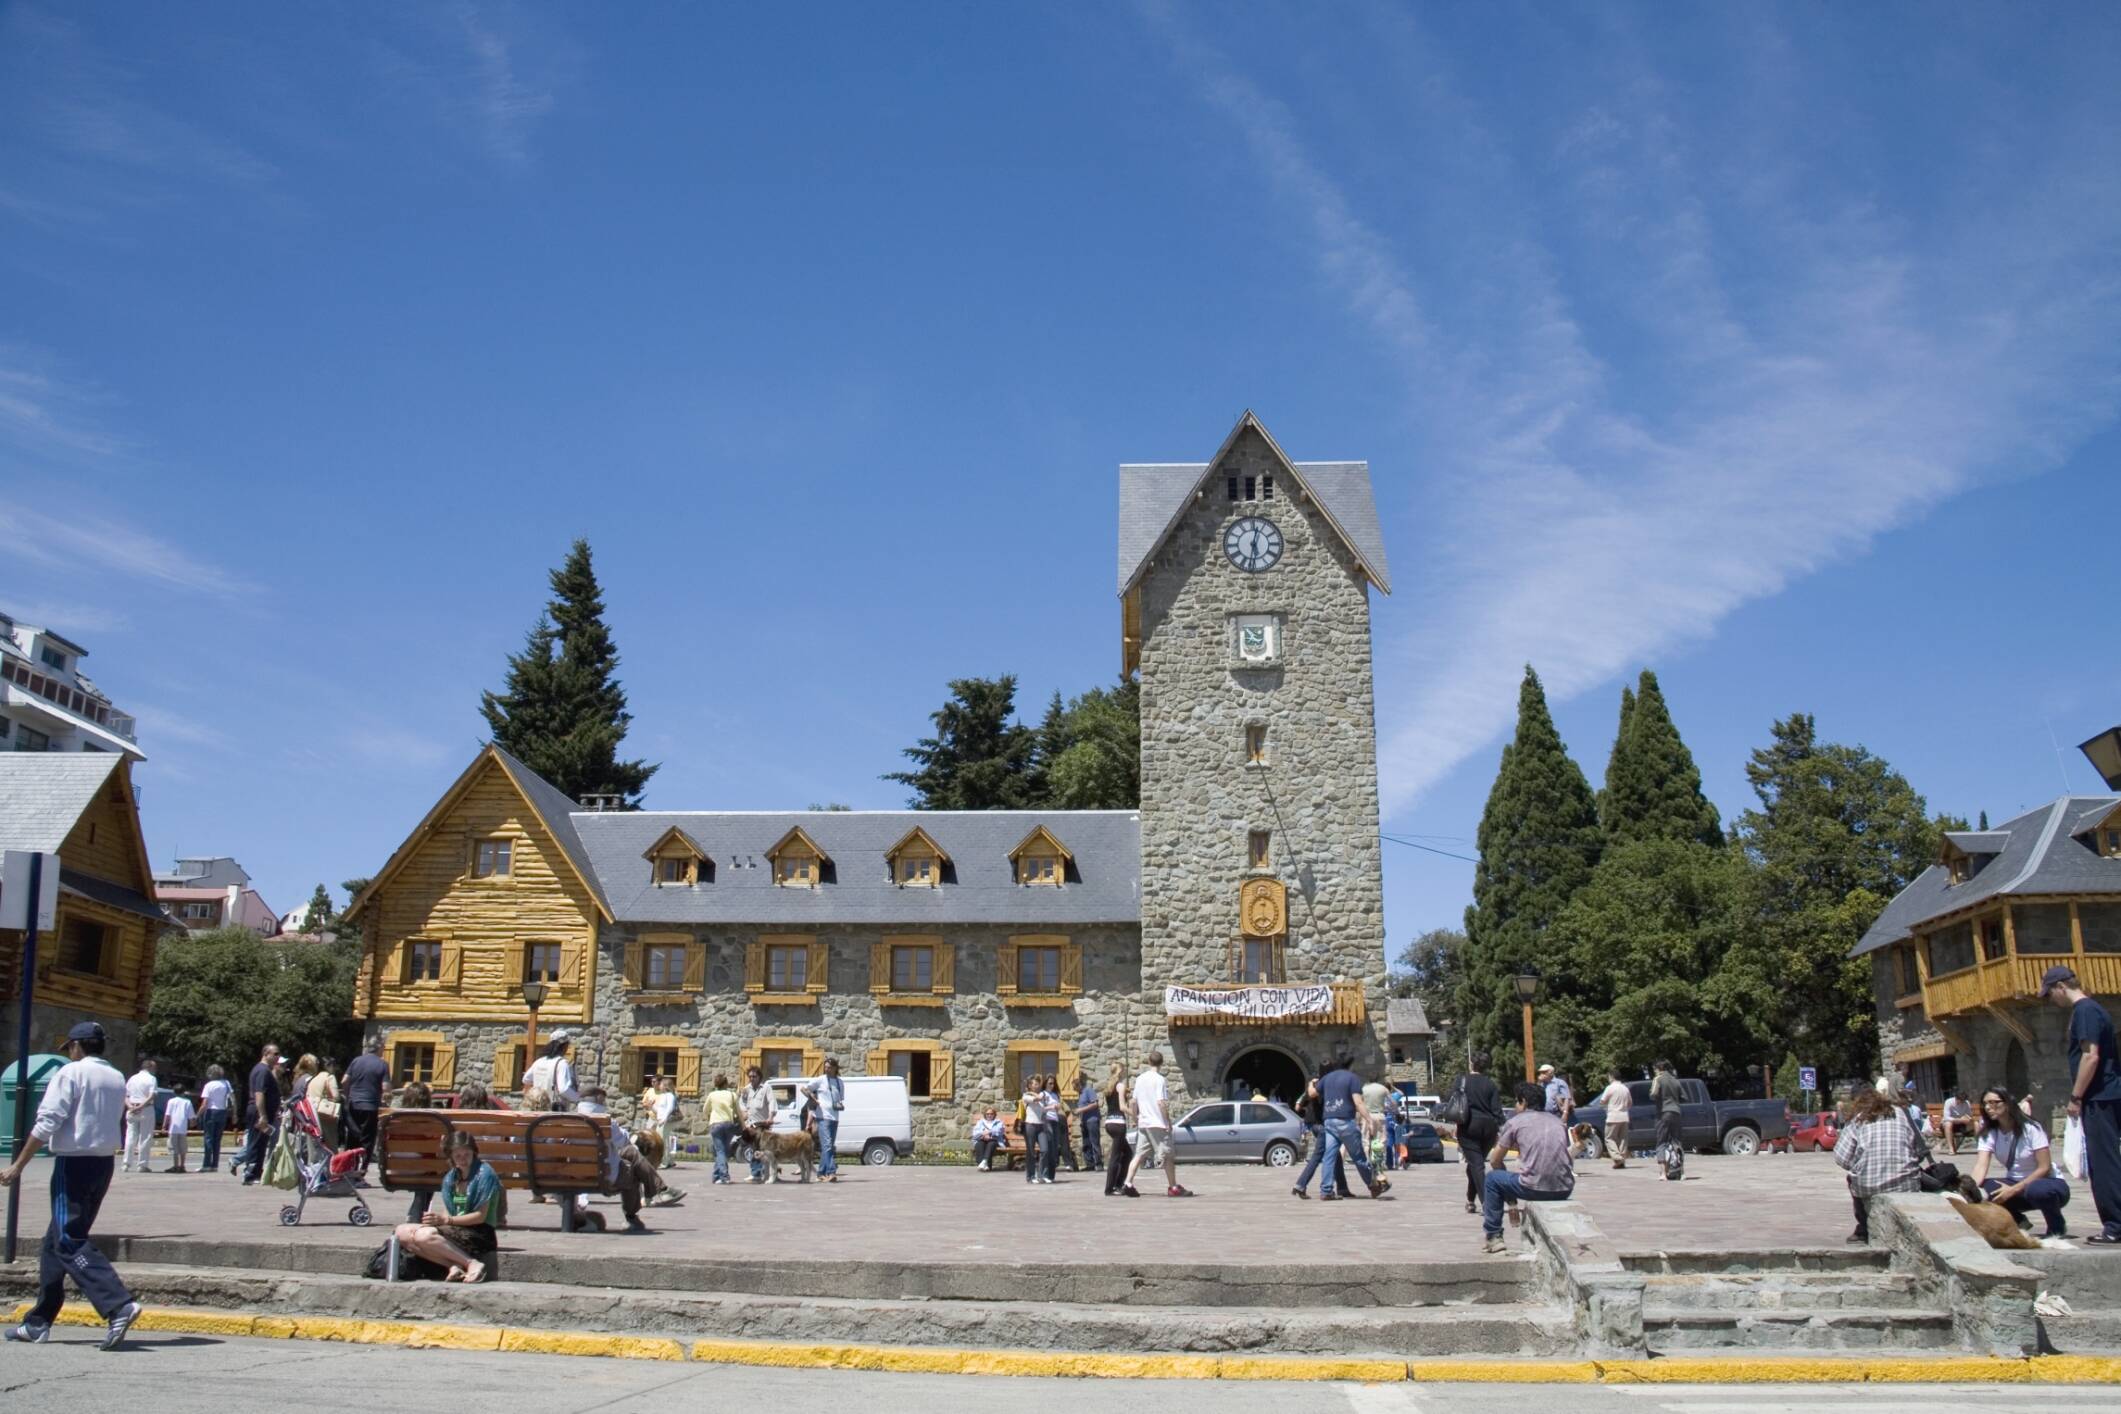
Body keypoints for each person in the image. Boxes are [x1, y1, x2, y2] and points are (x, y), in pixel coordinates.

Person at [1, 1021, 143, 1348]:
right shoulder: (116, 1076)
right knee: (55, 1241)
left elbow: (48, 1121)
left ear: (76, 1047)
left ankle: (117, 1303)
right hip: (102, 1163)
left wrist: (18, 1166)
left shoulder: (71, 1074)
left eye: (69, 1048)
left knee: (68, 1240)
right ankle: (38, 1322)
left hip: (73, 1164)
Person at [2042, 964, 2121, 1243]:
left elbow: (2091, 1056)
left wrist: (2075, 1097)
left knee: (2103, 1162)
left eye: (2050, 993)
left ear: (2061, 986)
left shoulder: (2085, 1011)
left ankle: (2115, 1227)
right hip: (2107, 1093)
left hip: (2099, 1096)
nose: (2052, 999)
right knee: (2106, 1159)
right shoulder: (2095, 1009)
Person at [395, 1129, 499, 1282]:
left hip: (480, 1231)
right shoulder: (452, 1177)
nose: (463, 1159)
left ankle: (472, 1263)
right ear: (451, 1156)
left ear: (474, 1153)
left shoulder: (485, 1174)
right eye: (458, 1155)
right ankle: (453, 1265)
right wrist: (437, 1220)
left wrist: (445, 1221)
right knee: (401, 1232)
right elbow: (449, 1212)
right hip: (457, 1227)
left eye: (467, 1155)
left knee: (425, 1236)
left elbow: (480, 1216)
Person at [1482, 1081, 1575, 1252]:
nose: (1516, 1106)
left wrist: (1510, 1199)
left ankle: (1494, 1236)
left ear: (1523, 1102)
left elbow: (1495, 1161)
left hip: (1534, 1188)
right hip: (1564, 1188)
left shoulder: (1516, 1122)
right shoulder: (1557, 1122)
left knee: (1491, 1179)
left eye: (1517, 1102)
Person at [1971, 1085, 2070, 1238]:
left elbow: (2044, 1167)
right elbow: (1981, 1165)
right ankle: (2018, 1220)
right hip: (2015, 1183)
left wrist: (2014, 1189)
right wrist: (1969, 1190)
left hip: (2047, 1184)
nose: (1989, 1107)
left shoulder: (2031, 1128)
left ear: (2008, 1103)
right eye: (1985, 1103)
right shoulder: (1989, 1132)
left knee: (2037, 1189)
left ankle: (2056, 1226)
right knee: (1983, 1190)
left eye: (1994, 1102)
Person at [1834, 1087, 1929, 1244]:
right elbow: (1919, 1149)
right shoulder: (1901, 1113)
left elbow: (1841, 1157)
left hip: (1869, 1185)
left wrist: (1858, 1165)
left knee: (1851, 1178)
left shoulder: (1858, 1118)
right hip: (1906, 1183)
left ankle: (1863, 1229)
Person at [577, 1087, 679, 1231]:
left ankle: (660, 1189)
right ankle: (634, 1215)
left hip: (573, 1175)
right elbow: (624, 1141)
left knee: (630, 1156)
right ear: (599, 1100)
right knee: (632, 1169)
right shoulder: (605, 1122)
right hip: (605, 1175)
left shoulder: (568, 1120)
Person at [1314, 1050, 1390, 1202]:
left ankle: (1326, 1190)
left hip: (1329, 1120)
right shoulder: (1352, 1078)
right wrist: (1369, 1119)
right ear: (1350, 1065)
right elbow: (1358, 1102)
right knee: (1359, 1157)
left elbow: (1312, 1093)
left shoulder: (1327, 1078)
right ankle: (1373, 1185)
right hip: (1345, 1121)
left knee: (1329, 1157)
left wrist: (1312, 1084)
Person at [1122, 1051, 1192, 1198]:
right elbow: (1161, 1102)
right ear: (1161, 1063)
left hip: (1144, 1123)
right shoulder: (1159, 1079)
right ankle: (1173, 1187)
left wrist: (1136, 1118)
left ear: (1149, 1061)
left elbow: (1133, 1102)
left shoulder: (1140, 1079)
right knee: (1167, 1156)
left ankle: (1127, 1183)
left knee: (1139, 1155)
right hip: (1157, 1123)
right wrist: (1167, 1121)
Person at [1454, 1053, 1505, 1216]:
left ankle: (1487, 1203)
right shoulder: (1490, 1084)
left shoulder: (1461, 1081)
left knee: (1477, 1165)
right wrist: (1499, 1129)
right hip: (1488, 1127)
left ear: (1471, 1064)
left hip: (1468, 1125)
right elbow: (1497, 1110)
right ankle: (1470, 1200)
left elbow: (1453, 1102)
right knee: (1475, 1163)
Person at [342, 1039, 391, 1176]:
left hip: (353, 1105)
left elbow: (344, 1080)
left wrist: (348, 1096)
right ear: (380, 1047)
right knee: (367, 1141)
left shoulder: (356, 1061)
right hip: (370, 1105)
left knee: (352, 1138)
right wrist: (386, 1098)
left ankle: (347, 1171)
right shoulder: (382, 1064)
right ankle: (360, 1173)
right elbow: (386, 1088)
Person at [239, 1043, 282, 1184]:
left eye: (278, 1054)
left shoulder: (266, 1070)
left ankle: (257, 1172)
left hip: (264, 1112)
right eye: (275, 1054)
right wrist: (262, 1115)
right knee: (255, 1142)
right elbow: (259, 1093)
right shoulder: (262, 1070)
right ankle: (250, 1174)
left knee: (261, 1143)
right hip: (258, 1112)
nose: (277, 1057)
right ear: (266, 1054)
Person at [801, 1057, 846, 1183]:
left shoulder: (839, 1082)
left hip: (835, 1117)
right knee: (827, 1145)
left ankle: (821, 1173)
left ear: (835, 1068)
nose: (827, 1069)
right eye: (825, 1067)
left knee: (829, 1146)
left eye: (829, 1067)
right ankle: (831, 1172)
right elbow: (804, 1088)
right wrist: (812, 1097)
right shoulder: (820, 1080)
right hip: (822, 1117)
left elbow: (840, 1098)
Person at [522, 1033, 581, 1110]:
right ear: (564, 1046)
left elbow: (526, 1079)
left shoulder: (539, 1061)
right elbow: (563, 1089)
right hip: (554, 1109)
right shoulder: (562, 1063)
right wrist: (578, 1098)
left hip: (538, 1107)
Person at [738, 1065, 775, 1183]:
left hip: (763, 1124)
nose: (751, 1078)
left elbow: (772, 1102)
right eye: (750, 1076)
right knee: (754, 1149)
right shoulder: (746, 1089)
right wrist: (743, 1112)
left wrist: (770, 1117)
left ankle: (768, 1173)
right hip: (751, 1125)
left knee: (766, 1151)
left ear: (759, 1077)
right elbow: (741, 1102)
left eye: (754, 1076)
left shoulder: (766, 1088)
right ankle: (756, 1173)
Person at [703, 1073, 741, 1184]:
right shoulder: (732, 1095)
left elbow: (705, 1110)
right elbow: (738, 1112)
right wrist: (743, 1126)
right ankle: (716, 1176)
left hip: (716, 1124)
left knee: (720, 1151)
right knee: (723, 1151)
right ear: (726, 1083)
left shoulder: (712, 1095)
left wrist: (709, 1118)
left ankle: (724, 1176)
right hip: (729, 1124)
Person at [1101, 1062, 1132, 1195]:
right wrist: (1136, 1115)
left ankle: (1118, 1184)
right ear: (1120, 1072)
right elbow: (1122, 1107)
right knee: (1115, 1157)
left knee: (1128, 1153)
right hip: (1119, 1124)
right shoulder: (1120, 1086)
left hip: (1109, 1123)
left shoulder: (1109, 1086)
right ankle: (1110, 1188)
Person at [122, 1057, 157, 1173]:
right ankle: (142, 1164)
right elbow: (152, 1095)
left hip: (131, 1108)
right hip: (145, 1109)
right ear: (150, 1067)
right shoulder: (152, 1079)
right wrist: (141, 1106)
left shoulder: (132, 1078)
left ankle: (126, 1163)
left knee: (130, 1137)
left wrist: (130, 1106)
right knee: (145, 1137)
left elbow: (125, 1095)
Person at [1594, 1069, 1634, 1170]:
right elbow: (1630, 1103)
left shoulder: (1610, 1088)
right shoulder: (1625, 1088)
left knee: (1609, 1138)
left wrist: (1608, 1106)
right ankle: (1622, 1160)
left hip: (1613, 1116)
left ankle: (1617, 1157)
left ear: (1611, 1077)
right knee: (1623, 1139)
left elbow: (1602, 1101)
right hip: (1624, 1116)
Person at [1650, 1059, 1684, 1176]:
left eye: (1654, 1069)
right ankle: (1681, 1172)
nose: (1654, 1072)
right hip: (1676, 1112)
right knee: (1676, 1142)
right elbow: (1684, 1097)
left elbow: (1653, 1095)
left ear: (1658, 1069)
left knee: (1661, 1142)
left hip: (1663, 1112)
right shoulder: (1675, 1080)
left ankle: (1663, 1173)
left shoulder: (1658, 1079)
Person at [198, 1064, 234, 1174]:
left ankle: (206, 1164)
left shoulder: (209, 1085)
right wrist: (235, 1113)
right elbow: (233, 1099)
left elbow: (205, 1103)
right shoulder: (226, 1084)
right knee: (217, 1140)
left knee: (208, 1138)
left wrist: (198, 1114)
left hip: (211, 1112)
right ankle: (215, 1165)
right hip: (222, 1112)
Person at [306, 1054, 342, 1151]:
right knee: (331, 1143)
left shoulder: (313, 1078)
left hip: (312, 1113)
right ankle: (333, 1163)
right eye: (333, 1065)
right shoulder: (330, 1077)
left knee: (316, 1144)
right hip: (325, 1114)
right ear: (328, 1066)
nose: (334, 1068)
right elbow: (336, 1096)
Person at [1020, 1073, 1049, 1185]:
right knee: (1031, 1152)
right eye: (1034, 1084)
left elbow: (1043, 1109)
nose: (1037, 1086)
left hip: (1041, 1125)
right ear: (1030, 1086)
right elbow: (1038, 1098)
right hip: (1030, 1125)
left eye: (1038, 1084)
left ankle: (1040, 1175)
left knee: (1045, 1150)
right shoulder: (1026, 1096)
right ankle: (1030, 1176)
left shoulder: (1041, 1095)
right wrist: (1031, 1092)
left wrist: (1053, 1107)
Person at [648, 1076, 680, 1167]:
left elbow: (670, 1108)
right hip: (661, 1121)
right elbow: (660, 1110)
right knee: (664, 1140)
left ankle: (664, 1162)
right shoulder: (663, 1096)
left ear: (665, 1086)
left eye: (661, 1084)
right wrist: (652, 1107)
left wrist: (664, 1118)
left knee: (663, 1141)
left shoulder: (670, 1096)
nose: (659, 1085)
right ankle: (669, 1161)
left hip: (664, 1121)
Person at [1075, 1071, 1103, 1172]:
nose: (1074, 1090)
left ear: (1079, 1085)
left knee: (1094, 1142)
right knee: (1086, 1143)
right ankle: (1089, 1164)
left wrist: (1081, 1110)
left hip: (1092, 1120)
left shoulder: (1088, 1090)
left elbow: (1095, 1104)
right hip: (1084, 1121)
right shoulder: (1081, 1094)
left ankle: (1099, 1164)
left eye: (1075, 1087)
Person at [163, 1088, 195, 1173]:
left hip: (173, 1128)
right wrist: (192, 1123)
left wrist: (164, 1125)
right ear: (183, 1092)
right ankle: (182, 1165)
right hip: (183, 1128)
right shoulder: (187, 1102)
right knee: (183, 1148)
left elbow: (167, 1114)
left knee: (174, 1148)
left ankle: (176, 1165)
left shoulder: (171, 1101)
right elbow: (191, 1115)